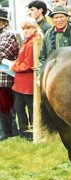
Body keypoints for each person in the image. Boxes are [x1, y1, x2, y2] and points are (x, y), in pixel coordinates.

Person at [11, 17, 43, 134]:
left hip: (27, 82)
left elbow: (28, 64)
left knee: (31, 108)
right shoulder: (28, 41)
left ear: (34, 28)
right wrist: (16, 63)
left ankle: (33, 131)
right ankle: (25, 130)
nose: (25, 31)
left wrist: (14, 66)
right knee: (19, 107)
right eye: (23, 28)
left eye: (28, 28)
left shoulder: (33, 42)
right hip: (21, 82)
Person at [38, 5, 71, 72]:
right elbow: (42, 58)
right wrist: (40, 74)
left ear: (67, 18)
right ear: (53, 19)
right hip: (52, 74)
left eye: (61, 17)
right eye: (56, 17)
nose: (59, 20)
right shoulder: (48, 34)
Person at [0, 7, 20, 140]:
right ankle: (5, 133)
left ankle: (11, 132)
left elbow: (1, 53)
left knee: (7, 106)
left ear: (2, 22)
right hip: (2, 78)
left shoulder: (8, 34)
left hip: (6, 78)